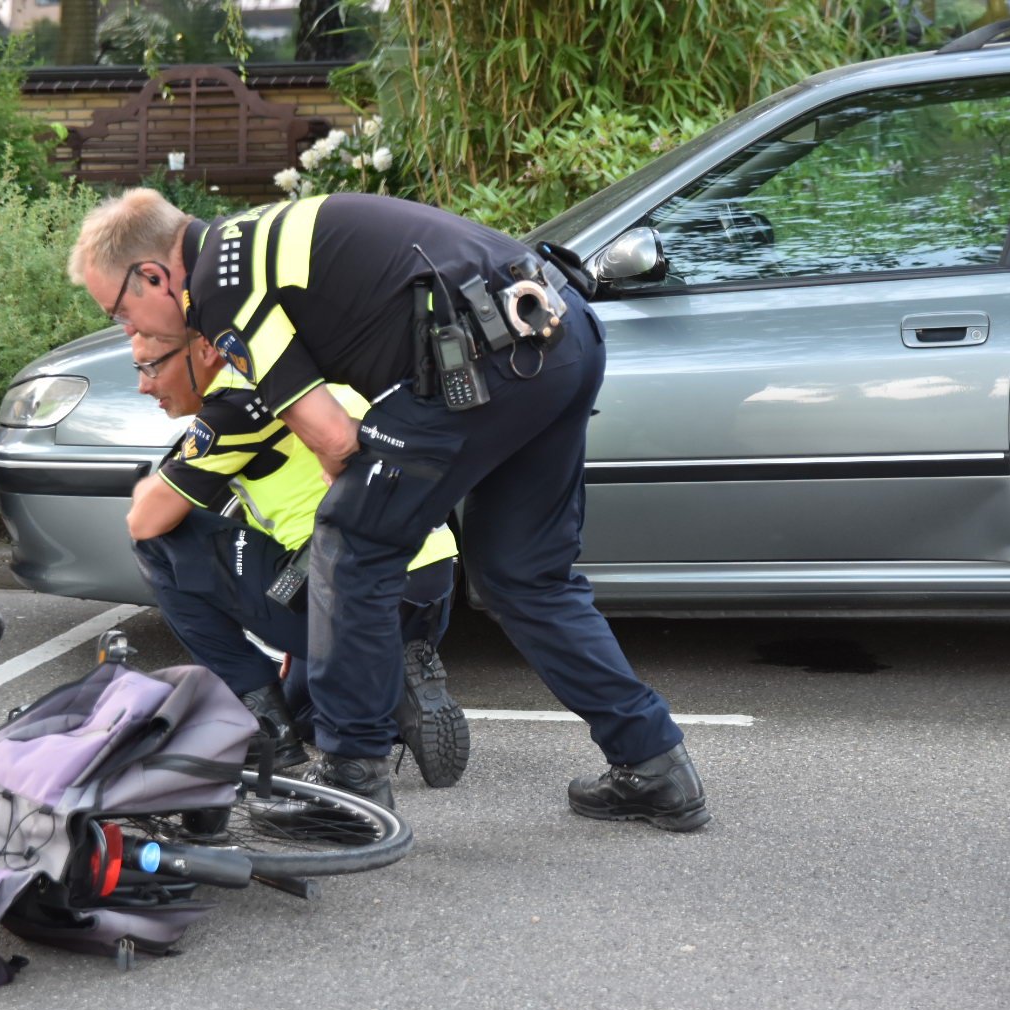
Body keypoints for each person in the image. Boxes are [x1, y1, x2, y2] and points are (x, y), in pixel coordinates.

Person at [68, 189, 709, 830]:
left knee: (350, 550)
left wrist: (371, 513)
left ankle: (351, 788)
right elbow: (334, 438)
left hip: (477, 361)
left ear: (153, 275)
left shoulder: (218, 284)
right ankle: (653, 763)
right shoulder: (252, 240)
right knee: (524, 575)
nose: (131, 330)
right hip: (557, 337)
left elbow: (333, 436)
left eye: (121, 311)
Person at [125, 328, 469, 788]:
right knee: (308, 713)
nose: (143, 385)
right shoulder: (307, 380)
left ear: (205, 349)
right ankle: (401, 694)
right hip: (430, 582)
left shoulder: (237, 406)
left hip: (349, 589)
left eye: (150, 366)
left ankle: (263, 726)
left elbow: (144, 520)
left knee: (159, 543)